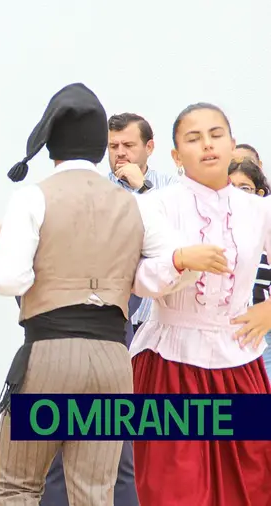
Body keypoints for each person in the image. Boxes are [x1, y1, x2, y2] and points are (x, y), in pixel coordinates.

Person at [0, 83, 220, 506]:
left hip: (49, 353)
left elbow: (8, 280)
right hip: (114, 359)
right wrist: (131, 278)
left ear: (50, 145)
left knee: (18, 486)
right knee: (95, 491)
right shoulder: (137, 204)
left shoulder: (32, 197)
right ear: (99, 147)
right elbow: (178, 267)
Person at [131, 103, 271, 506]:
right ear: (176, 156)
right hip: (170, 361)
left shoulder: (259, 210)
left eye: (216, 134)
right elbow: (136, 280)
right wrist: (177, 261)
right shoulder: (156, 204)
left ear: (231, 144)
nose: (207, 145)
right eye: (193, 139)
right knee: (175, 487)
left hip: (240, 359)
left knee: (251, 483)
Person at [227, 158, 271, 379]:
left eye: (244, 188)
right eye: (230, 187)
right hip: (228, 331)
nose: (237, 195)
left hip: (264, 328)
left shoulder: (266, 226)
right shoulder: (214, 230)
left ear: (260, 193)